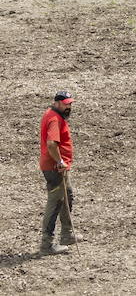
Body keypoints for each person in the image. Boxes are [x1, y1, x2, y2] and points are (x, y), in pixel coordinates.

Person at [39, 91, 77, 255]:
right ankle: (46, 245)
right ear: (57, 103)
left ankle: (67, 234)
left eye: (70, 104)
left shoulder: (53, 114)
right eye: (65, 104)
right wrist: (60, 161)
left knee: (67, 195)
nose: (68, 106)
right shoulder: (54, 119)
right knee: (55, 204)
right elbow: (51, 144)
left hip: (59, 166)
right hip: (55, 168)